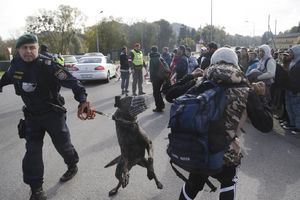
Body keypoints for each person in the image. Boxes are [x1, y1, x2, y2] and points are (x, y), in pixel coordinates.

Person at [165, 47, 273, 200]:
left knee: (194, 184)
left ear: (213, 62)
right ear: (236, 64)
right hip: (225, 151)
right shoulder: (246, 89)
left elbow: (170, 95)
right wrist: (262, 97)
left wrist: (190, 76)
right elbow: (266, 125)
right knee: (228, 181)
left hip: (198, 146)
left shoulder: (200, 82)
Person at [0, 33, 95, 200]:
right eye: (24, 48)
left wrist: (83, 100)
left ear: (37, 48)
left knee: (63, 146)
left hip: (53, 114)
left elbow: (74, 82)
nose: (28, 51)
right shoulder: (15, 66)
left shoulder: (49, 65)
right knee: (32, 152)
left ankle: (72, 165)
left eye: (32, 47)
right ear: (18, 50)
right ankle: (36, 189)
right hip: (32, 117)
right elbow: (4, 79)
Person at [282, 45, 300, 135]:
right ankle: (292, 124)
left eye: (291, 52)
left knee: (296, 108)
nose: (290, 54)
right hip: (289, 88)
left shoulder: (299, 63)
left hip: (295, 90)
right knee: (289, 107)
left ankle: (298, 127)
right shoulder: (293, 62)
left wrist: (295, 89)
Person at [149, 45, 165, 112]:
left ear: (152, 51)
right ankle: (161, 105)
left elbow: (151, 70)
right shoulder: (160, 57)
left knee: (156, 93)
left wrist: (151, 79)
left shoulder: (152, 59)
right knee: (158, 91)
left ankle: (159, 107)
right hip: (162, 77)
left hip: (156, 78)